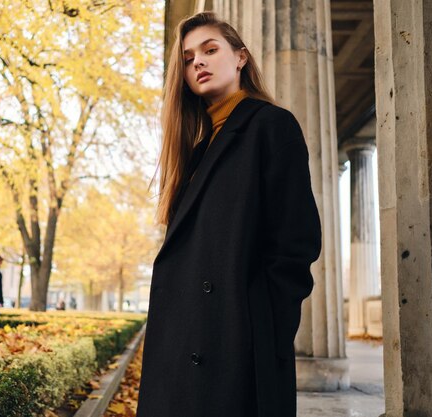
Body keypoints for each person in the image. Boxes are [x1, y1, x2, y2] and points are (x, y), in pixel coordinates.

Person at [136, 12, 322, 417]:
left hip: (236, 349)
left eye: (210, 49)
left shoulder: (271, 126)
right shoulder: (198, 151)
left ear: (240, 57)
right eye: (187, 58)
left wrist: (263, 329)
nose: (198, 62)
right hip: (185, 351)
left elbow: (296, 241)